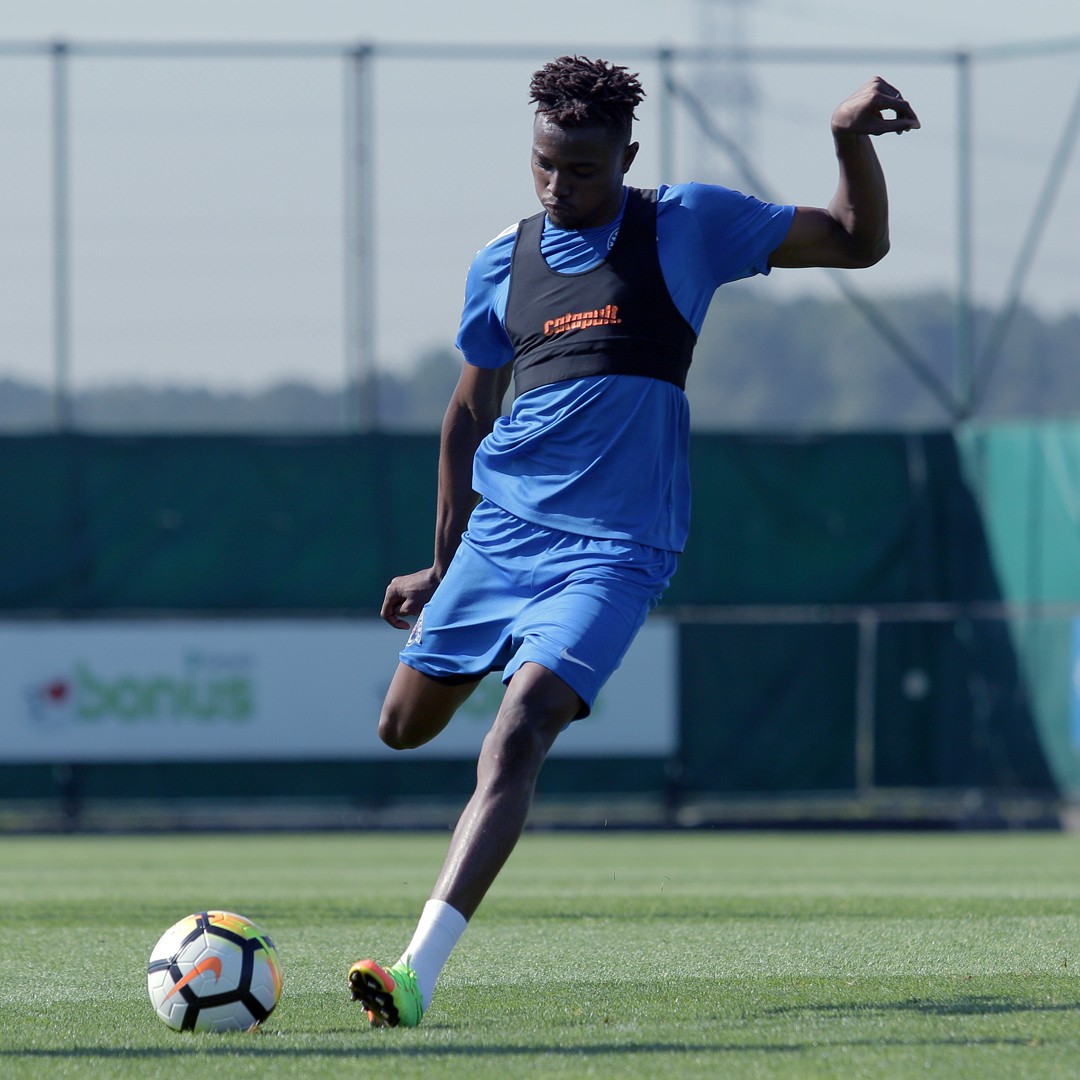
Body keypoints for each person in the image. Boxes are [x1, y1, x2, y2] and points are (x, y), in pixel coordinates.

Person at [348, 55, 920, 1027]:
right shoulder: (502, 260)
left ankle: (413, 974)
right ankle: (500, 639)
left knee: (522, 725)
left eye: (581, 169)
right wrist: (444, 566)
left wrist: (845, 140)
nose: (557, 186)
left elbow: (857, 241)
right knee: (401, 727)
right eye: (543, 164)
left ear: (628, 156)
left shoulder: (686, 223)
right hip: (502, 535)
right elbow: (468, 414)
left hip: (616, 547)